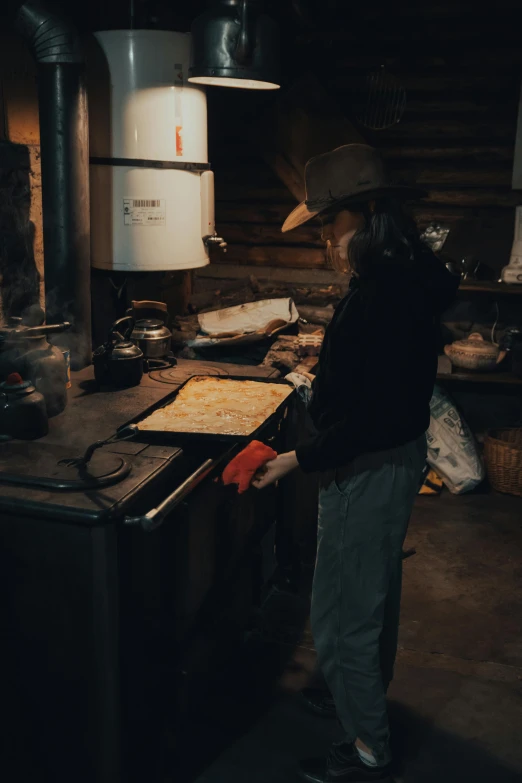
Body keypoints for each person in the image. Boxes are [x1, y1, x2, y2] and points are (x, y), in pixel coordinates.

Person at [253, 144, 458, 782]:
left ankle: (367, 746)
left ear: (365, 213)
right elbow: (378, 387)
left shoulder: (387, 293)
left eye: (331, 219)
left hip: (368, 464)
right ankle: (353, 695)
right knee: (372, 595)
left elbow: (378, 416)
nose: (326, 232)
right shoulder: (397, 275)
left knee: (344, 610)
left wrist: (296, 459)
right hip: (383, 460)